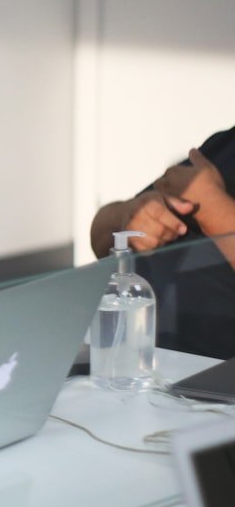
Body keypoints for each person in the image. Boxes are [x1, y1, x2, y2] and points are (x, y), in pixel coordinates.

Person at [89, 126, 235, 358]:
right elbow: (100, 237)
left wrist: (210, 203)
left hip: (212, 380)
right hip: (130, 364)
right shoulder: (224, 145)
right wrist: (129, 216)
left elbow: (204, 197)